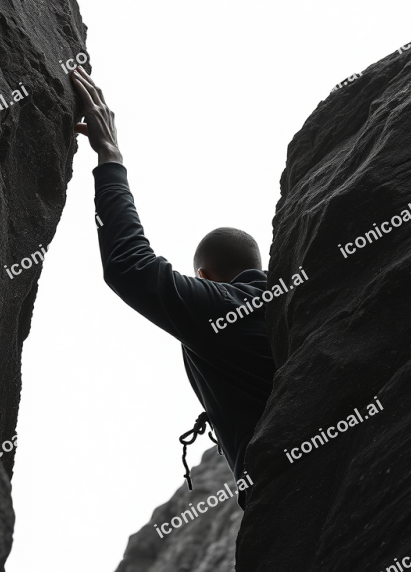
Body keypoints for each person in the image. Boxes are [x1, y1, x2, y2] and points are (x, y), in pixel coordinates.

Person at [71, 66, 275, 508]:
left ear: (204, 277)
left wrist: (110, 157)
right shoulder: (290, 302)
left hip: (285, 497)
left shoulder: (227, 308)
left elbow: (131, 267)